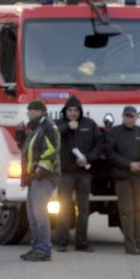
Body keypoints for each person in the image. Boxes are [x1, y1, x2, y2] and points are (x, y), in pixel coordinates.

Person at [54, 96, 102, 253]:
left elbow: (99, 145)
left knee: (83, 210)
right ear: (65, 111)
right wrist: (68, 126)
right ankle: (62, 242)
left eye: (76, 110)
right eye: (70, 110)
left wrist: (88, 158)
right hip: (65, 174)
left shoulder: (90, 125)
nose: (73, 113)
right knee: (64, 209)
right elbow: (52, 137)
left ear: (80, 111)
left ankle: (81, 242)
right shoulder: (58, 124)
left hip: (83, 173)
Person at [106, 105, 140, 255]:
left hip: (139, 177)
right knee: (127, 212)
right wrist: (128, 164)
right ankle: (130, 245)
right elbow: (110, 153)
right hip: (122, 177)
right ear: (123, 117)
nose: (130, 118)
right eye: (127, 116)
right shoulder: (114, 132)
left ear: (136, 117)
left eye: (132, 116)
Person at [15, 99, 60, 262]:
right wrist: (20, 135)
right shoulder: (35, 128)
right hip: (33, 177)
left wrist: (41, 170)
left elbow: (52, 150)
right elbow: (27, 150)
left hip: (44, 177)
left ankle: (43, 250)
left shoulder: (48, 127)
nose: (28, 113)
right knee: (33, 215)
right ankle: (36, 248)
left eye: (30, 110)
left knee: (40, 215)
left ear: (39, 111)